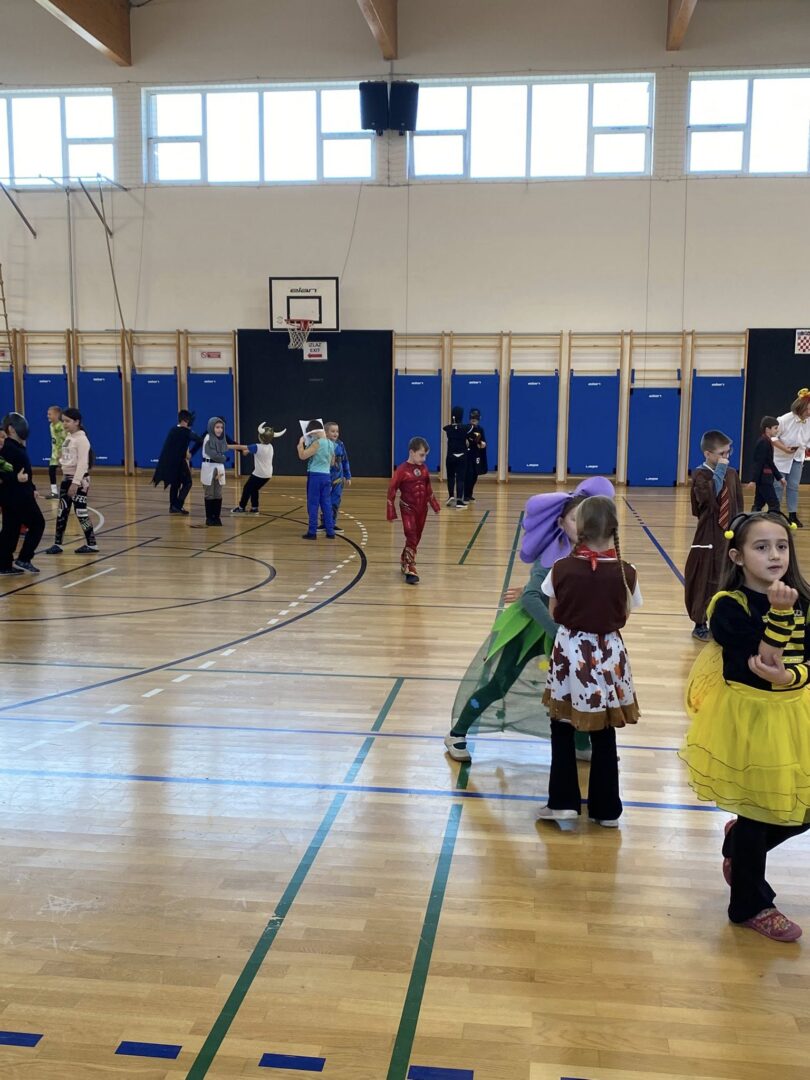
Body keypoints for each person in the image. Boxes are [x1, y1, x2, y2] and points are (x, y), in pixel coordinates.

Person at [680, 511, 810, 942]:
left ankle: (740, 845)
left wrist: (793, 677)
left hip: (796, 712)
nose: (775, 555)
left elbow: (799, 664)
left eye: (781, 546)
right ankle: (749, 906)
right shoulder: (727, 607)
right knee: (758, 808)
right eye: (761, 547)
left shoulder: (803, 599)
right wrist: (780, 614)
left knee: (800, 807)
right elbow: (765, 661)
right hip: (749, 718)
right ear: (737, 557)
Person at [444, 476, 615, 764]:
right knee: (500, 683)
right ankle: (457, 733)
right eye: (574, 519)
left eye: (585, 518)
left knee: (576, 685)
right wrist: (557, 631)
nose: (580, 525)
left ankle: (581, 743)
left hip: (563, 629)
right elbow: (532, 598)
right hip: (530, 626)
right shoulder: (553, 554)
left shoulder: (589, 553)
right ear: (560, 523)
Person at [537, 494, 641, 828]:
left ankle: (562, 803)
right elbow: (625, 613)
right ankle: (607, 810)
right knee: (605, 731)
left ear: (580, 527)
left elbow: (555, 612)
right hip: (610, 653)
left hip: (571, 651)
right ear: (613, 528)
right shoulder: (627, 572)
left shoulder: (560, 568)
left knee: (562, 726)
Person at [684, 429, 743, 641]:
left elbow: (737, 504)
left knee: (728, 577)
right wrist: (719, 471)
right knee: (705, 578)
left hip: (729, 535)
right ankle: (700, 623)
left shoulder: (732, 474)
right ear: (708, 454)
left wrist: (740, 527)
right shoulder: (701, 475)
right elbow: (708, 501)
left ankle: (724, 621)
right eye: (721, 454)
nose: (726, 457)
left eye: (728, 452)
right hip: (708, 535)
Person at [43, 407, 99, 555]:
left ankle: (92, 544)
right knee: (62, 511)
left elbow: (82, 464)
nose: (64, 424)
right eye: (63, 421)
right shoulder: (69, 437)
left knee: (81, 512)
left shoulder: (82, 440)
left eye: (67, 421)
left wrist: (75, 483)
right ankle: (57, 544)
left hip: (78, 481)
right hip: (66, 479)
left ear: (77, 422)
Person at [387, 435, 441, 584]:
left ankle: (404, 559)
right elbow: (392, 490)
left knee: (416, 537)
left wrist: (435, 505)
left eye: (425, 455)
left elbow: (428, 488)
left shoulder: (424, 469)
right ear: (412, 452)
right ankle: (410, 568)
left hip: (422, 509)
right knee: (411, 535)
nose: (424, 459)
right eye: (421, 455)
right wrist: (390, 511)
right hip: (407, 508)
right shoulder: (401, 470)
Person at [0, 412, 45, 575]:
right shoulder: (8, 449)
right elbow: (3, 472)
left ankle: (4, 564)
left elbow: (24, 471)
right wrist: (16, 478)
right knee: (38, 523)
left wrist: (32, 487)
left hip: (18, 494)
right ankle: (24, 558)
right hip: (17, 496)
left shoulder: (16, 447)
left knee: (10, 530)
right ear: (11, 429)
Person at [152, 409, 204, 515]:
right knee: (188, 482)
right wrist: (192, 453)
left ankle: (173, 506)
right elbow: (200, 440)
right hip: (178, 462)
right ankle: (178, 505)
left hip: (169, 462)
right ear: (185, 420)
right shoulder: (185, 432)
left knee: (175, 483)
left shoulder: (173, 430)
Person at [772, 389, 810, 528]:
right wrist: (784, 448)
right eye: (808, 409)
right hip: (780, 458)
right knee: (778, 486)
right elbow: (773, 437)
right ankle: (774, 514)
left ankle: (792, 515)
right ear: (801, 407)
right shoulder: (784, 420)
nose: (809, 412)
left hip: (797, 457)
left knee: (793, 486)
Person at [200, 417, 247, 527]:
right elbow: (214, 454)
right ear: (211, 427)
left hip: (219, 468)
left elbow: (228, 446)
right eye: (217, 427)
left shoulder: (221, 439)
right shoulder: (208, 438)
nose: (220, 430)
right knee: (209, 494)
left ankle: (216, 517)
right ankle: (209, 518)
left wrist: (245, 448)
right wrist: (225, 458)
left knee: (218, 493)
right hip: (209, 467)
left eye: (221, 427)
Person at [232, 422, 285, 514]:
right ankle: (254, 507)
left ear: (261, 437)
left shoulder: (257, 446)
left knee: (247, 488)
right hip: (267, 475)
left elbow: (241, 447)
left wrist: (227, 446)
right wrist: (247, 451)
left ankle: (241, 507)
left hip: (259, 474)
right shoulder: (270, 446)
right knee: (254, 489)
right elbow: (255, 451)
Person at [298, 420, 336, 540]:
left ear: (313, 432)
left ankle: (312, 532)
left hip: (315, 476)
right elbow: (332, 462)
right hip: (326, 476)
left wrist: (300, 444)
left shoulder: (317, 443)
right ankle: (330, 532)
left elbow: (302, 456)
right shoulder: (331, 443)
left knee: (313, 504)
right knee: (326, 504)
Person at [748, 415, 784, 513]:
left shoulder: (767, 441)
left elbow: (770, 462)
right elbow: (759, 463)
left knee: (758, 504)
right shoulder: (763, 442)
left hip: (764, 479)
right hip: (764, 480)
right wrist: (753, 480)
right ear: (768, 429)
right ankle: (774, 522)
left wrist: (779, 477)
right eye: (775, 428)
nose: (777, 430)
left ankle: (753, 520)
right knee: (774, 504)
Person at [321, 421, 351, 534]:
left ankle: (332, 524)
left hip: (338, 480)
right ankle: (324, 523)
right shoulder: (321, 444)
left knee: (335, 501)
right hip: (325, 478)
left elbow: (345, 461)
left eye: (337, 431)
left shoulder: (340, 444)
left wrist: (348, 476)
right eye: (332, 431)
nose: (335, 433)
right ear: (325, 433)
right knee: (325, 501)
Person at [443, 406, 469, 509]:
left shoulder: (447, 428)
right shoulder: (466, 428)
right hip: (462, 456)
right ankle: (459, 501)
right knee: (460, 479)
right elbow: (472, 430)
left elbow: (446, 427)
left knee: (450, 477)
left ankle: (451, 496)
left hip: (450, 456)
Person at [463, 407, 487, 503]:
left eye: (476, 418)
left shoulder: (480, 429)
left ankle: (470, 494)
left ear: (479, 418)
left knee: (474, 475)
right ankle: (465, 495)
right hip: (468, 455)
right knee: (468, 474)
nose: (474, 420)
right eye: (472, 418)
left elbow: (483, 442)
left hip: (476, 455)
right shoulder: (466, 428)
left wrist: (482, 444)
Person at [46, 405, 65, 499]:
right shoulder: (51, 425)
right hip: (55, 453)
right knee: (51, 470)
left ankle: (67, 491)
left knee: (67, 472)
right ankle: (54, 492)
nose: (48, 416)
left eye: (50, 414)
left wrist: (62, 452)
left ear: (57, 415)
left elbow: (65, 439)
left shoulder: (61, 426)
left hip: (63, 453)